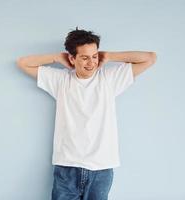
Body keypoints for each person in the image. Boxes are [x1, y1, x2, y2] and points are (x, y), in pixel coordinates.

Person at [16, 27, 156, 200]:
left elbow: (150, 58)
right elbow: (23, 62)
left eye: (94, 56)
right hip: (67, 167)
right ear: (72, 58)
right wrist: (56, 58)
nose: (91, 63)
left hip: (101, 169)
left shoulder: (109, 79)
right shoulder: (60, 80)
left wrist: (110, 56)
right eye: (84, 57)